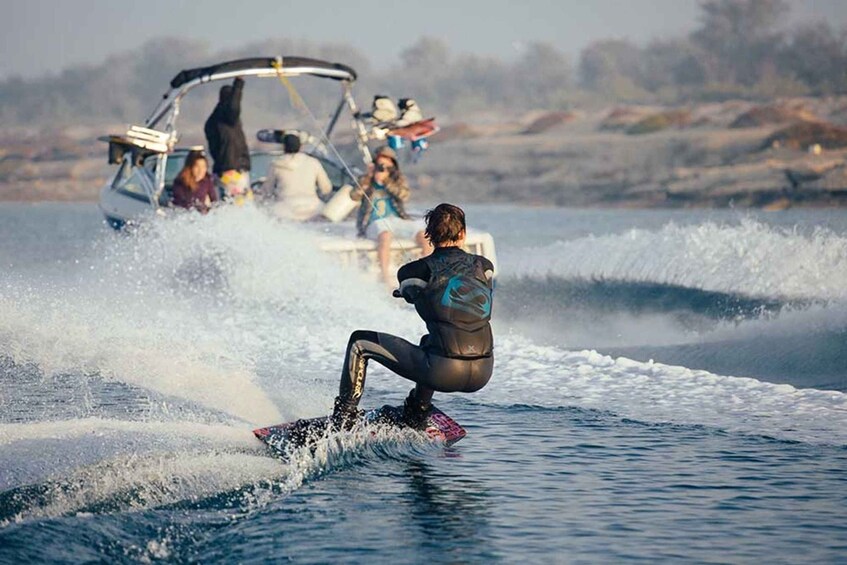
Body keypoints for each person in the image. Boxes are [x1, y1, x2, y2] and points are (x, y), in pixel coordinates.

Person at [332, 203, 494, 430]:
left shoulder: (413, 272)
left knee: (360, 342)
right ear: (463, 234)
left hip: (443, 372)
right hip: (483, 371)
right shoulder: (485, 266)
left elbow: (408, 291)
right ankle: (417, 409)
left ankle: (343, 419)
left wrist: (405, 292)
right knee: (429, 342)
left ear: (429, 236)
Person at [350, 146, 432, 284]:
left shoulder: (397, 180)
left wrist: (386, 181)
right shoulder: (366, 179)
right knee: (385, 235)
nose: (383, 169)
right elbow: (354, 196)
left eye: (387, 166)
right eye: (380, 165)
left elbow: (404, 195)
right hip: (373, 222)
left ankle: (428, 274)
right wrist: (368, 178)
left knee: (424, 235)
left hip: (396, 220)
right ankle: (385, 276)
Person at [263, 133, 333, 221]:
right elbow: (326, 188)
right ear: (300, 147)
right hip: (314, 209)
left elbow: (267, 191)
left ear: (284, 147)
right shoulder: (313, 162)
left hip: (285, 210)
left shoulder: (275, 164)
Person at [204, 77, 251, 200]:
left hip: (222, 170)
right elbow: (233, 108)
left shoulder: (214, 120)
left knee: (226, 204)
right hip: (232, 170)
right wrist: (239, 84)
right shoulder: (227, 119)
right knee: (239, 207)